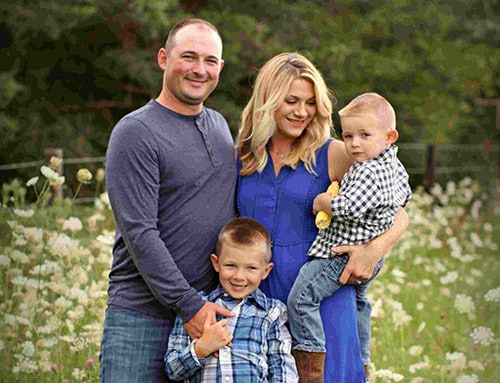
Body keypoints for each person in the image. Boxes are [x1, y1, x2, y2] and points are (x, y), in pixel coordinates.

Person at [236, 52, 409, 383]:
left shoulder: (335, 152)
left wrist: (372, 252)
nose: (302, 112)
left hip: (321, 301)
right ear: (267, 99)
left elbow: (398, 212)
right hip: (260, 303)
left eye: (310, 102)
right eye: (291, 101)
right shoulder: (243, 156)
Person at [100, 18, 236, 382]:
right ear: (163, 58)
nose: (199, 70)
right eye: (188, 57)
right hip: (142, 318)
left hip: (206, 318)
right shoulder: (136, 132)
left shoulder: (221, 127)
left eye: (210, 61)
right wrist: (188, 304)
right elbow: (140, 232)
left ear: (220, 68)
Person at [287, 92, 412, 378]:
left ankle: (310, 368)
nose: (354, 144)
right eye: (348, 135)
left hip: (343, 253)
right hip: (368, 252)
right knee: (359, 304)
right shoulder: (393, 164)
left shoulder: (368, 170)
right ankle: (362, 362)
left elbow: (348, 207)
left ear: (390, 136)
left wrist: (322, 202)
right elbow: (404, 195)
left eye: (364, 135)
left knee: (302, 298)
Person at [164, 217, 299, 382]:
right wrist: (201, 349)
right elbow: (172, 369)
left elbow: (283, 369)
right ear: (216, 263)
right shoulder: (197, 307)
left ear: (265, 271)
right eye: (231, 266)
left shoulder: (272, 312)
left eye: (251, 268)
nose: (239, 276)